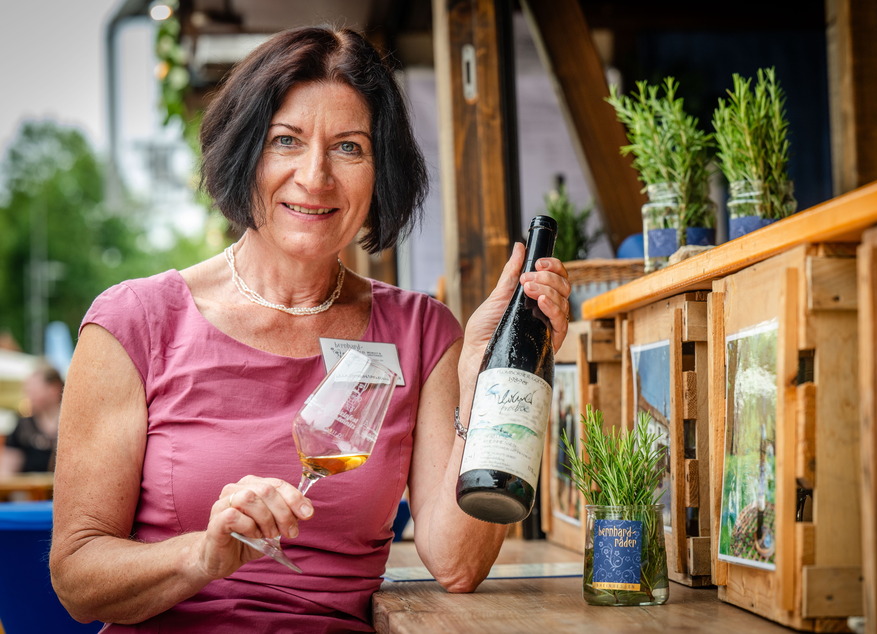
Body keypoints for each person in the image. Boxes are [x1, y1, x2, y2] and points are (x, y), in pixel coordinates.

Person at [49, 25, 571, 632]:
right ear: (245, 153)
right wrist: (202, 556)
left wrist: (490, 379)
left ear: (381, 172)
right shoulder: (134, 322)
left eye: (349, 147)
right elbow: (78, 580)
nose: (316, 176)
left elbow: (456, 564)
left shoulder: (421, 333)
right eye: (285, 141)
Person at [0, 362, 63, 475]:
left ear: (54, 389)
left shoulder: (72, 425)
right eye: (28, 390)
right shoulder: (23, 425)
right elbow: (6, 470)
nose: (29, 395)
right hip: (28, 492)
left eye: (34, 390)